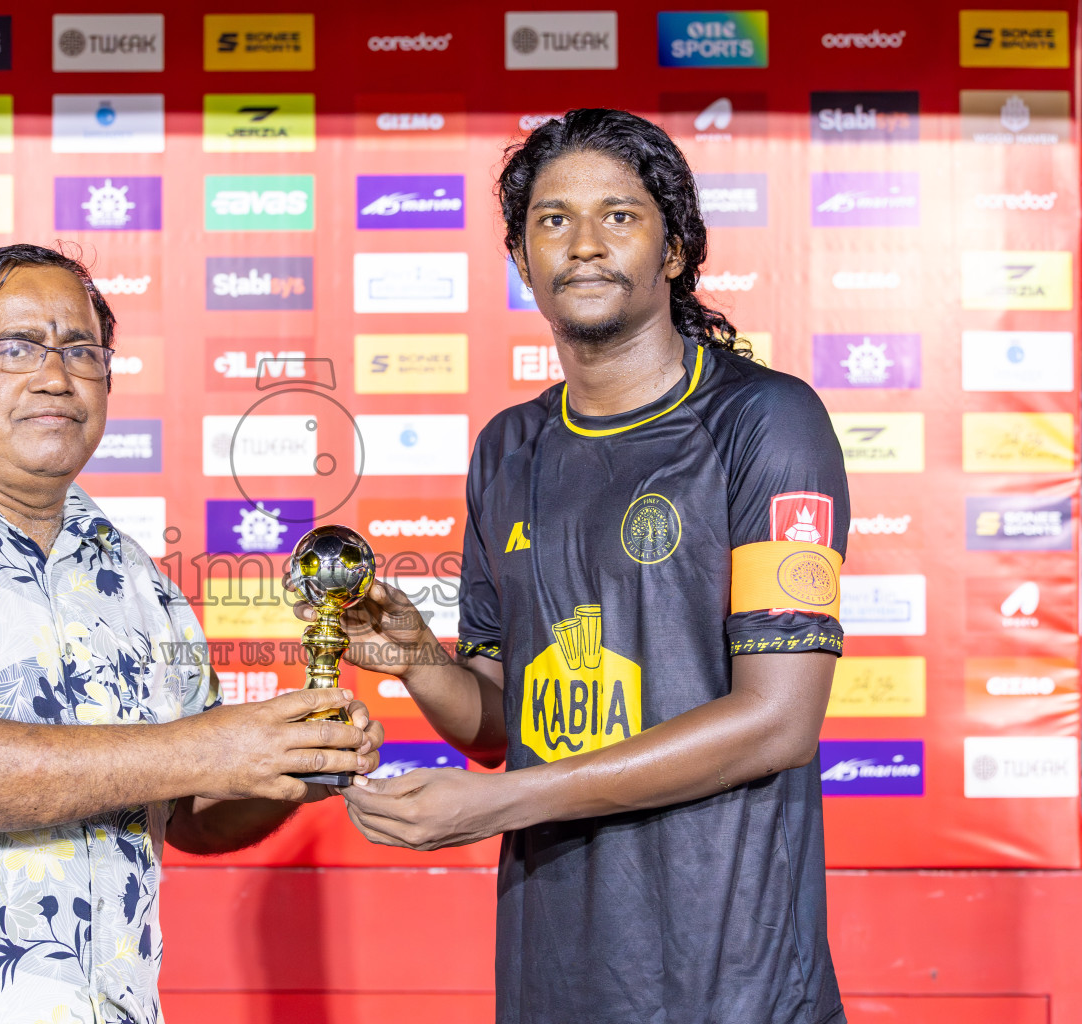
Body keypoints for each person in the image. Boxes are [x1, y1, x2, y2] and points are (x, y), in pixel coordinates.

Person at [316, 109, 850, 1023]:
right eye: (553, 221)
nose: (585, 245)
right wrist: (417, 660)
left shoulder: (766, 421)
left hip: (731, 971)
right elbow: (498, 726)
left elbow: (777, 723)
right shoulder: (509, 448)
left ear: (675, 249)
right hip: (551, 965)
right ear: (523, 261)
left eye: (620, 215)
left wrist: (499, 806)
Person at [0, 243, 382, 1024]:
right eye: (16, 347)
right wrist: (214, 746)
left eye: (81, 350)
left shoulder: (137, 581)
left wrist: (293, 763)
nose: (56, 376)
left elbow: (190, 811)